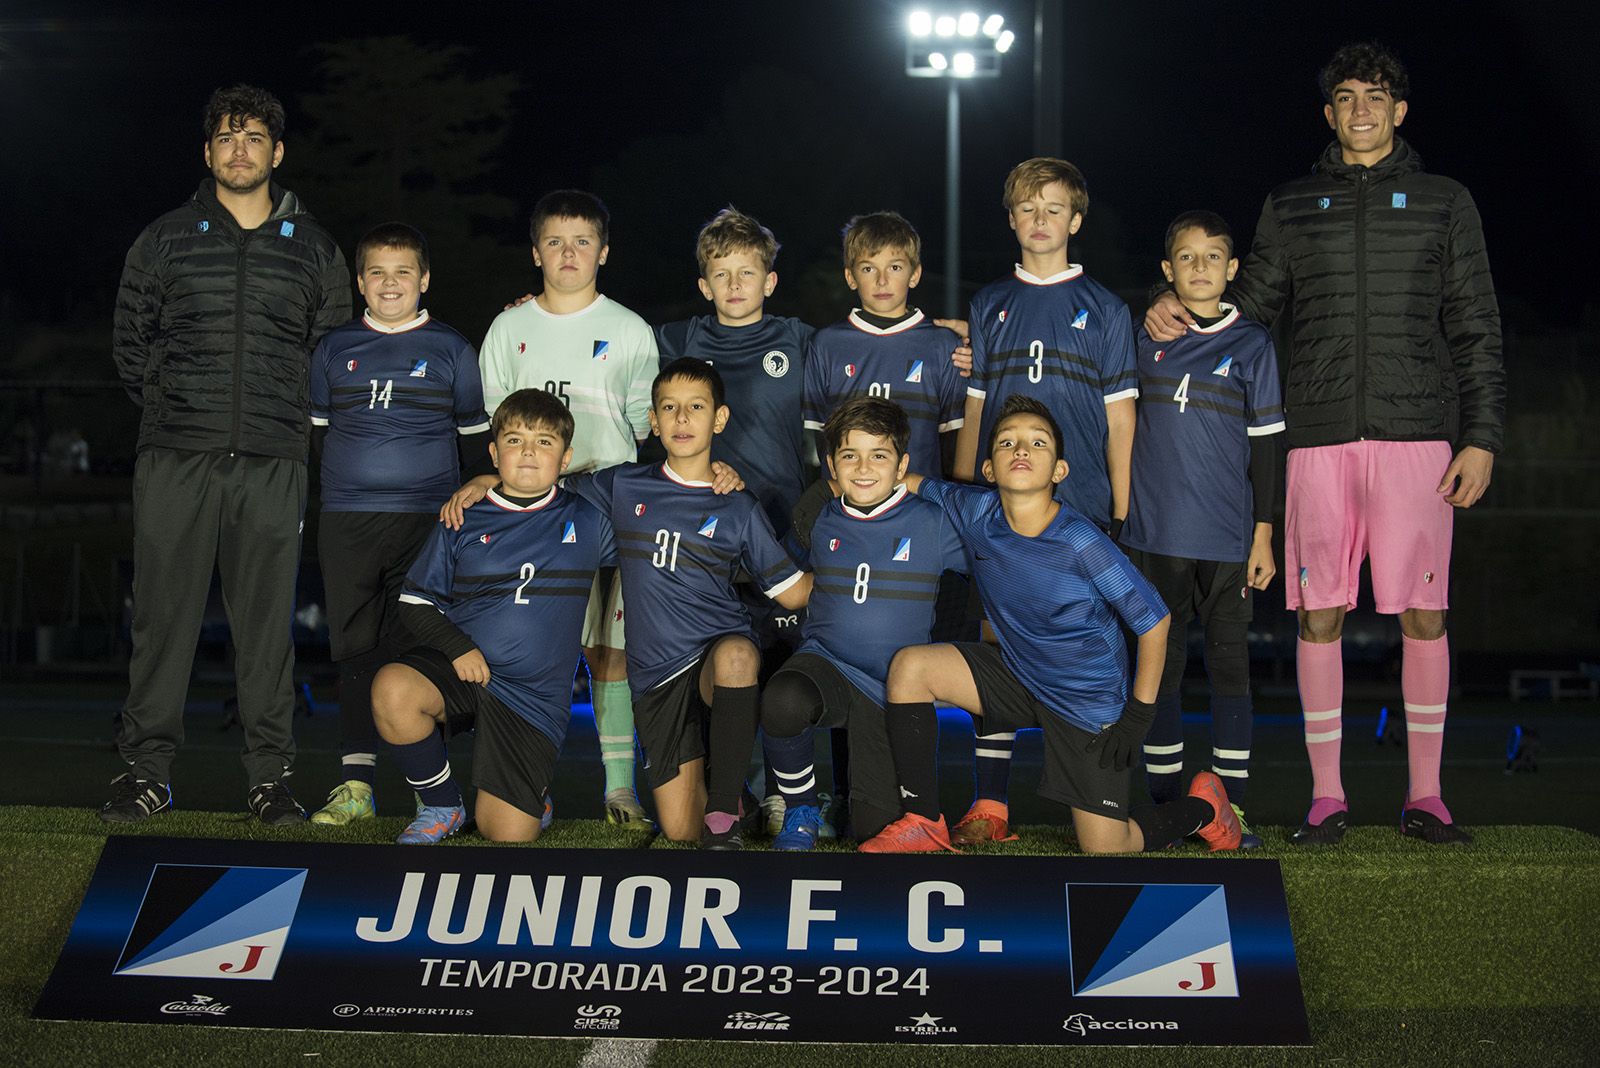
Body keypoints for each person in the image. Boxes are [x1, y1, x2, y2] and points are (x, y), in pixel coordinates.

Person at [1144, 42, 1504, 845]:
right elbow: (1246, 303)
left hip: (1419, 441)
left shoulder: (1446, 201)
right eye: (1346, 97)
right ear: (1330, 113)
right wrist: (1167, 302)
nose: (1362, 110)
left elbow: (1476, 325)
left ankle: (1426, 798)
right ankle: (1327, 798)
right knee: (1320, 617)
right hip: (1314, 441)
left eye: (1377, 96)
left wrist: (1480, 437)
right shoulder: (1293, 203)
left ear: (1400, 111)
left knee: (1423, 614)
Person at [106, 85, 349, 825]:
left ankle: (270, 780)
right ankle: (146, 773)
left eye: (252, 137)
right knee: (163, 619)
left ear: (277, 153)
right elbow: (130, 344)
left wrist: (283, 423)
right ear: (207, 152)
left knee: (266, 626)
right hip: (177, 454)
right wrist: (181, 408)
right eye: (224, 137)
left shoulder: (314, 248)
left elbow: (331, 352)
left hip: (274, 461)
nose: (238, 149)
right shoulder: (164, 238)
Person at [859, 395, 1240, 855]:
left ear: (1059, 471)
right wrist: (867, 469)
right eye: (1007, 442)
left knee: (1107, 848)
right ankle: (923, 821)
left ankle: (1205, 809)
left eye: (1037, 443)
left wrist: (1138, 716)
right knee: (910, 668)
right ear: (989, 469)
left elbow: (1155, 622)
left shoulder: (1081, 541)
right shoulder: (976, 511)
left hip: (1087, 703)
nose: (1021, 450)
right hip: (1018, 677)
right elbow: (914, 482)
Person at [948, 157, 1140, 845]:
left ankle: (1098, 796)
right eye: (1027, 208)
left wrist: (1120, 512)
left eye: (1053, 208)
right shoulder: (989, 303)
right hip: (1001, 511)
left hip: (1079, 508)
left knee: (1082, 651)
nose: (1040, 220)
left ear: (1075, 220)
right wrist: (969, 491)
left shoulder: (1107, 310)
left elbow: (1120, 420)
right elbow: (977, 409)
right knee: (998, 645)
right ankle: (990, 803)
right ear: (1011, 219)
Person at [564, 359, 812, 848]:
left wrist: (854, 560)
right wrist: (484, 483)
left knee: (738, 655)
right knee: (679, 830)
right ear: (653, 421)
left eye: (695, 408)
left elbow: (792, 592)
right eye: (669, 409)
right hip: (656, 677)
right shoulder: (623, 485)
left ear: (718, 419)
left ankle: (724, 814)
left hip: (715, 656)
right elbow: (548, 491)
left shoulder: (738, 506)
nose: (681, 419)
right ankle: (735, 791)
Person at [470, 190, 658, 827]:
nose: (569, 253)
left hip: (605, 495)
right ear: (535, 252)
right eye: (555, 241)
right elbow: (495, 426)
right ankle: (531, 788)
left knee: (612, 647)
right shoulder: (508, 327)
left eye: (582, 241)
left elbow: (640, 428)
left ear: (603, 252)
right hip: (527, 504)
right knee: (532, 649)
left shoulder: (631, 329)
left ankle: (620, 790)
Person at [306, 222, 491, 827]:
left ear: (425, 279)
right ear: (361, 282)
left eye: (403, 272)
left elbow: (474, 451)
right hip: (348, 520)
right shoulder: (333, 348)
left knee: (417, 647)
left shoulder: (452, 349)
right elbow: (321, 437)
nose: (391, 284)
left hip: (428, 522)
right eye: (378, 273)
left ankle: (426, 791)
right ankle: (356, 786)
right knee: (355, 650)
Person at [374, 390, 612, 844]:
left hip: (532, 699)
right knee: (393, 689)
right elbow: (415, 601)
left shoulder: (589, 518)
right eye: (515, 440)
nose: (528, 452)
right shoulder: (463, 516)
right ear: (494, 452)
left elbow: (657, 509)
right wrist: (459, 647)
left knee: (504, 835)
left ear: (566, 459)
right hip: (467, 669)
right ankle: (442, 803)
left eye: (544, 442)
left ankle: (533, 797)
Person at [1121, 211, 1285, 847]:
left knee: (1230, 673)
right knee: (1159, 672)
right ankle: (1166, 804)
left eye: (1211, 257)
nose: (1198, 268)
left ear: (1233, 269)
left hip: (1227, 543)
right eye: (1185, 258)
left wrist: (1264, 532)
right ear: (1167, 270)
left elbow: (1268, 447)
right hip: (1154, 537)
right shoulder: (1144, 338)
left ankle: (1232, 808)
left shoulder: (1253, 346)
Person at [760, 397, 967, 849]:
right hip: (828, 665)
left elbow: (998, 542)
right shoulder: (817, 518)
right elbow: (787, 581)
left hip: (894, 689)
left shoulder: (933, 522)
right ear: (832, 464)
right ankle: (801, 811)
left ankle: (858, 807)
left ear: (902, 465)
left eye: (880, 455)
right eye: (850, 455)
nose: (864, 467)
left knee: (875, 834)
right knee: (782, 699)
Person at [802, 211, 967, 482]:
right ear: (850, 276)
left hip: (919, 508)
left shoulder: (943, 344)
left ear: (915, 274)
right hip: (846, 509)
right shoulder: (826, 344)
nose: (882, 280)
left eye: (895, 267)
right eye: (868, 268)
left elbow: (953, 444)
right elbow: (817, 444)